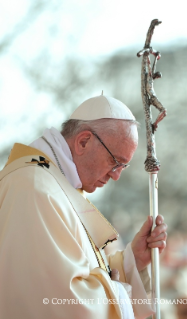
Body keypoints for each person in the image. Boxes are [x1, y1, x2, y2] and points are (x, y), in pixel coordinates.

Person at [0, 94, 167, 319]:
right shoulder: (35, 189)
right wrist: (119, 294)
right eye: (115, 162)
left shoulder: (57, 184)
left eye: (123, 167)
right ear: (83, 142)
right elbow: (59, 303)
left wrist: (133, 261)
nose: (116, 176)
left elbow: (78, 272)